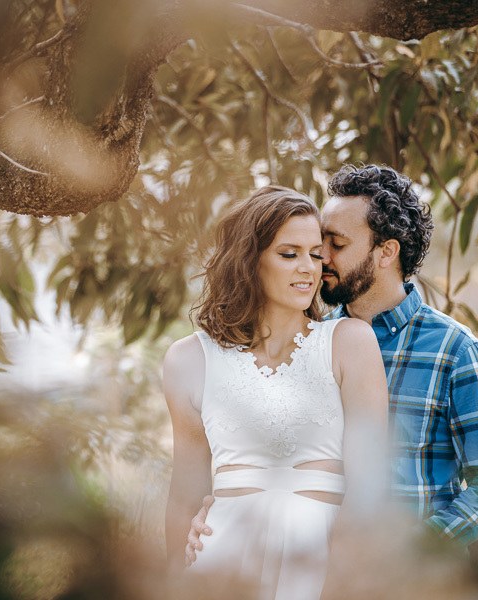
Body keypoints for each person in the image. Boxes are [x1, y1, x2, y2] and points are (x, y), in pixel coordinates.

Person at [185, 164, 478, 566]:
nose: (321, 258)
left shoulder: (456, 352)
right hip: (301, 571)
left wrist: (416, 550)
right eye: (319, 243)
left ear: (386, 252)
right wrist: (214, 515)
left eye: (337, 244)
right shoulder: (309, 343)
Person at [163, 185, 389, 599]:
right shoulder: (188, 359)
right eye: (289, 254)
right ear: (249, 261)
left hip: (319, 567)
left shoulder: (350, 343)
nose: (309, 269)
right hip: (220, 564)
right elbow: (184, 495)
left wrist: (343, 580)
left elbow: (368, 487)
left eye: (315, 255)